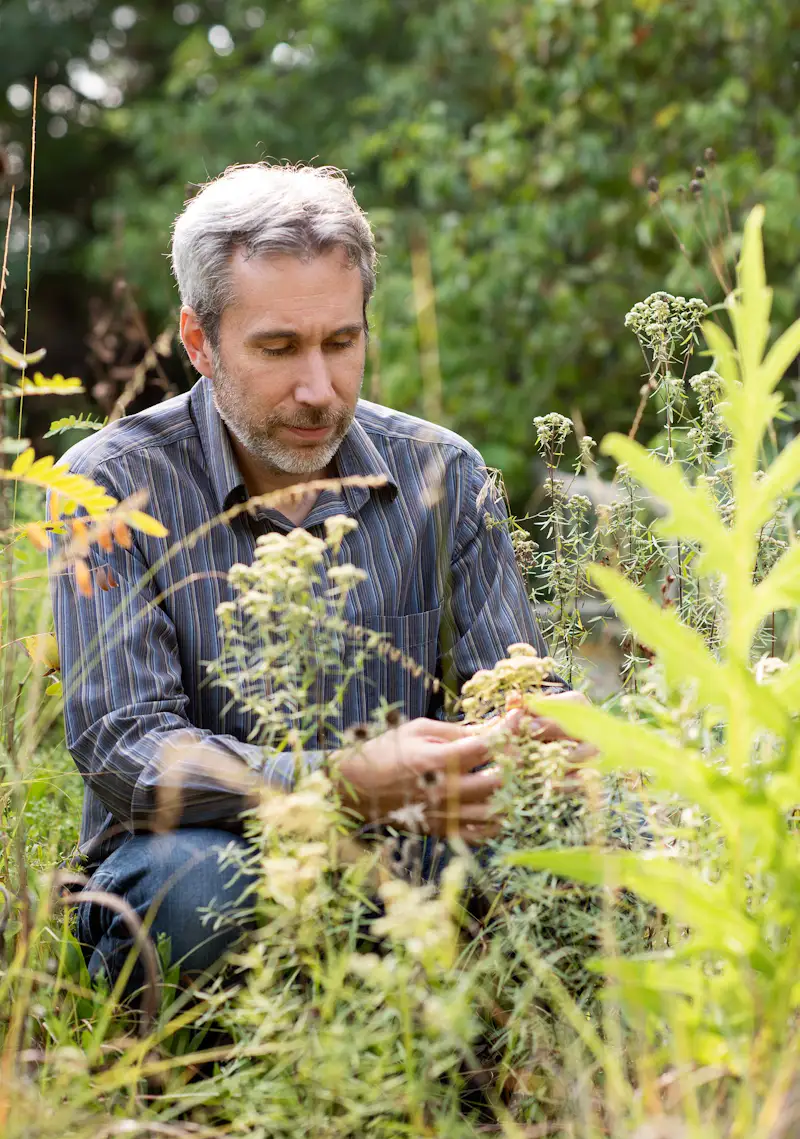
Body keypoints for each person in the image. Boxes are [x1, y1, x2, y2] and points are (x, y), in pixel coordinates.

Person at [47, 163, 581, 989]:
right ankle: (193, 1093)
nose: (318, 389)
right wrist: (336, 784)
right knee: (196, 887)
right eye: (278, 348)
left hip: (411, 859)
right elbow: (127, 749)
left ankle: (496, 1088)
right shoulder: (111, 486)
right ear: (198, 342)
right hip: (202, 865)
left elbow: (509, 690)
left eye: (342, 342)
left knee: (593, 844)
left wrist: (539, 732)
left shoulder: (445, 473)